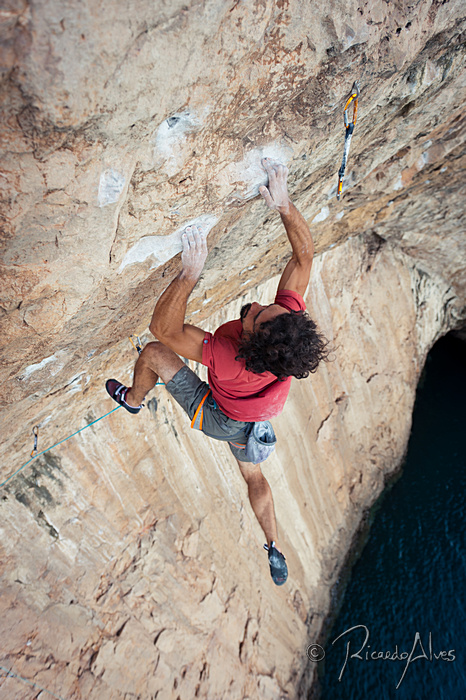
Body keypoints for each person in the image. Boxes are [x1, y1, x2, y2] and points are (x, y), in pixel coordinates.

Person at [106, 158, 330, 585]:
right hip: (254, 419)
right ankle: (274, 546)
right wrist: (284, 205)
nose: (257, 306)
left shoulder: (230, 357)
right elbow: (304, 255)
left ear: (250, 346)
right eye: (270, 307)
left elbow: (163, 330)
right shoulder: (285, 326)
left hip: (223, 418)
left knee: (152, 353)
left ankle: (133, 401)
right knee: (255, 476)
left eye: (256, 318)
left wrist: (189, 275)